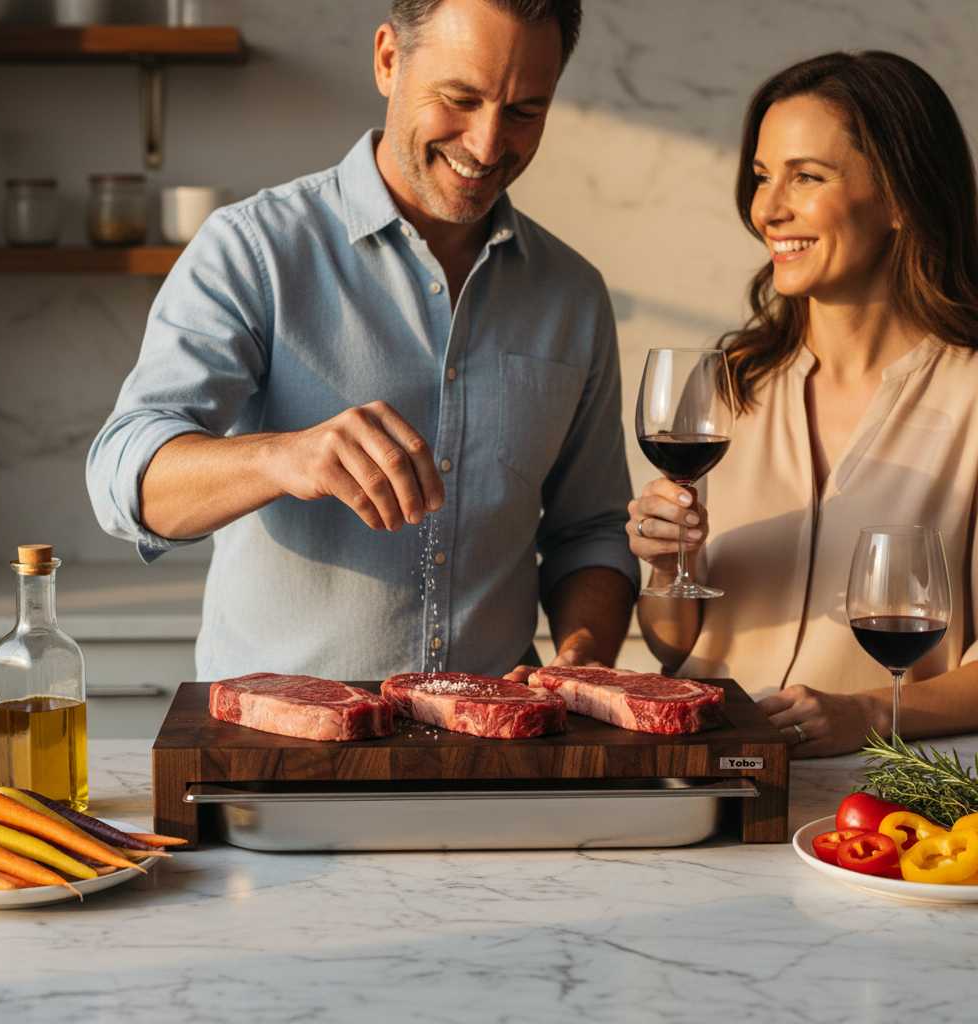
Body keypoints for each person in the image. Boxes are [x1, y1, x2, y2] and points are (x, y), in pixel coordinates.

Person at [87, 0, 640, 683]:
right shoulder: (253, 249)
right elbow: (122, 481)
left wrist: (584, 657)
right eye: (460, 98)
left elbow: (590, 532)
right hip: (279, 756)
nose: (488, 144)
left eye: (525, 111)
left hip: (493, 748)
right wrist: (286, 459)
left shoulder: (573, 295)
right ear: (388, 59)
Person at [626, 51, 978, 758]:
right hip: (705, 780)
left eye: (806, 177)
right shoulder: (728, 388)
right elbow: (673, 651)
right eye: (762, 176)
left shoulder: (971, 399)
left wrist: (869, 713)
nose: (768, 208)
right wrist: (666, 568)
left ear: (902, 198)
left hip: (875, 804)